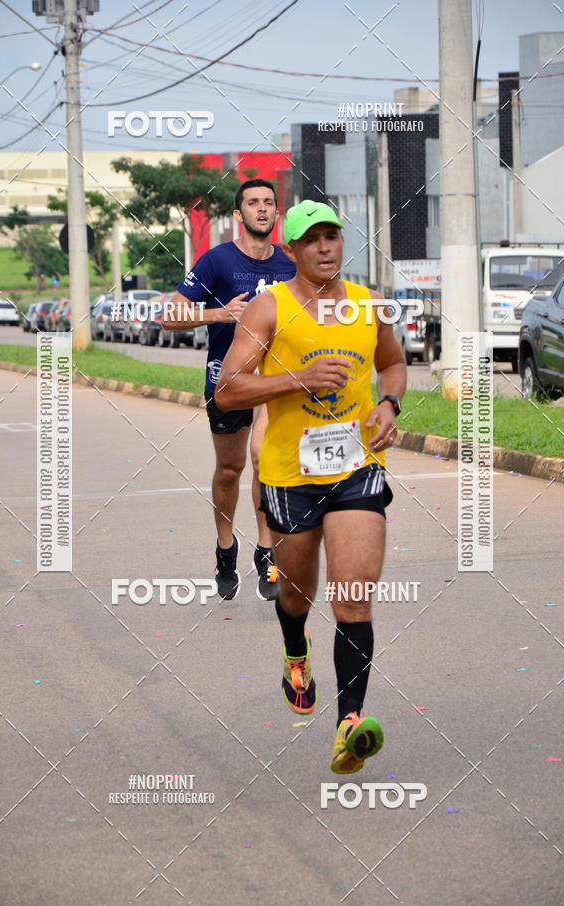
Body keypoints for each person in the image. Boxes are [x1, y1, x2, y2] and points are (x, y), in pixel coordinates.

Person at [215, 200, 407, 773]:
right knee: (296, 597)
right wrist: (295, 378)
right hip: (290, 476)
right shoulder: (268, 310)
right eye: (312, 240)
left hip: (357, 469)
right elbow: (227, 391)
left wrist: (390, 404)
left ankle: (349, 725)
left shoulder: (368, 306)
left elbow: (393, 364)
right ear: (292, 251)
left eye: (333, 237)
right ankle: (294, 650)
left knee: (353, 595)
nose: (325, 247)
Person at [163, 178, 296, 601]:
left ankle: (265, 549)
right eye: (253, 203)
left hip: (275, 381)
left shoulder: (291, 265)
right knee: (230, 470)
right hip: (228, 379)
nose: (262, 209)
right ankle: (226, 549)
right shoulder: (216, 261)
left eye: (269, 203)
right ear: (238, 215)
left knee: (266, 462)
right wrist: (220, 314)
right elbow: (169, 316)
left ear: (277, 212)